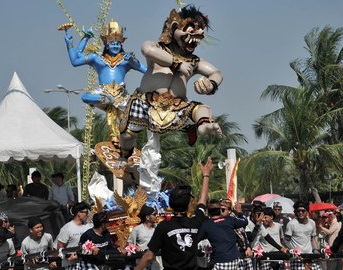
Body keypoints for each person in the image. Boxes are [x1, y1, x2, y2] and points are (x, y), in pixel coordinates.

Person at [119, 5, 223, 161]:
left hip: (176, 106)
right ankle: (124, 155)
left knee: (201, 108)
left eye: (199, 34)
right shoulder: (158, 48)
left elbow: (216, 73)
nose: (195, 39)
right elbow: (146, 49)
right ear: (173, 28)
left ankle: (204, 125)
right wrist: (176, 63)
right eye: (190, 31)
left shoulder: (194, 61)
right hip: (145, 101)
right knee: (127, 136)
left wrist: (211, 84)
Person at [63, 19, 146, 146]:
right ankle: (115, 139)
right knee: (86, 97)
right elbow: (75, 60)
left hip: (122, 97)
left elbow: (145, 70)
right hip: (105, 95)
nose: (115, 46)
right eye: (112, 43)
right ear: (106, 44)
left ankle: (126, 144)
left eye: (118, 43)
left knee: (127, 124)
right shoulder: (97, 58)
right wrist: (79, 41)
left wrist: (134, 62)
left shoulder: (126, 60)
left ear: (122, 44)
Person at [135, 156, 213, 270]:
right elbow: (202, 201)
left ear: (170, 205)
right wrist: (206, 175)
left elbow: (149, 256)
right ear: (188, 205)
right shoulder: (196, 222)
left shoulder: (163, 227)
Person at [197, 199, 248, 269]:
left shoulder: (206, 225)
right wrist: (239, 212)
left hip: (220, 261)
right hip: (235, 259)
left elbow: (196, 239)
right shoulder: (230, 219)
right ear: (220, 210)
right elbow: (245, 221)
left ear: (208, 211)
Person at [56, 201, 93, 270]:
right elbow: (60, 248)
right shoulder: (66, 228)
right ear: (79, 213)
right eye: (86, 212)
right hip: (71, 265)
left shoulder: (89, 226)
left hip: (87, 264)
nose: (88, 215)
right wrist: (69, 256)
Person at [285, 201, 321, 270]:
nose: (300, 213)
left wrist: (316, 250)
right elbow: (286, 241)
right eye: (298, 211)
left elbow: (312, 239)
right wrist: (294, 250)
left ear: (307, 212)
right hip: (297, 258)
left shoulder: (312, 223)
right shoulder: (291, 224)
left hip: (310, 256)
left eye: (303, 211)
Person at [219, 198, 253, 269]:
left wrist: (248, 247)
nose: (221, 212)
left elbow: (243, 233)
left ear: (229, 210)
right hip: (226, 255)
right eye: (220, 209)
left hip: (240, 253)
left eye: (223, 209)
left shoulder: (233, 218)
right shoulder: (217, 220)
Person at [127, 205, 161, 270]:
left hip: (156, 263)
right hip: (142, 263)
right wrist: (135, 248)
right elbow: (129, 246)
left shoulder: (158, 228)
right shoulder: (137, 229)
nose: (156, 216)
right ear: (147, 217)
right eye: (154, 214)